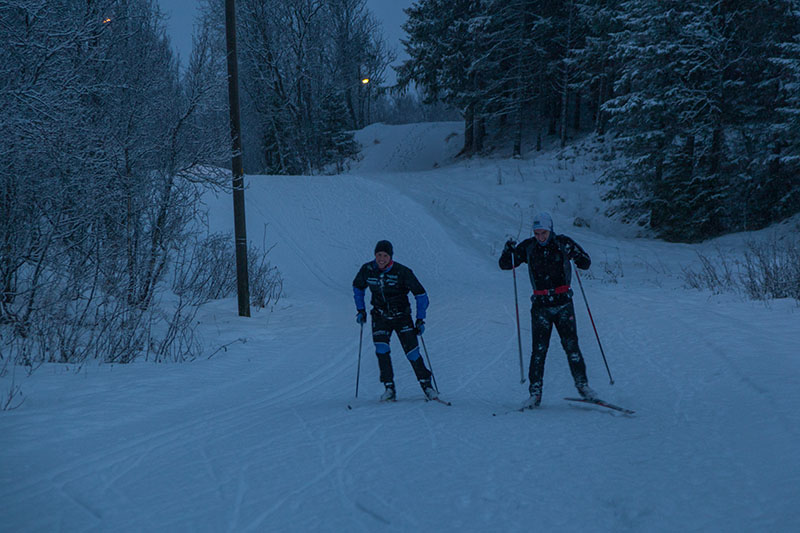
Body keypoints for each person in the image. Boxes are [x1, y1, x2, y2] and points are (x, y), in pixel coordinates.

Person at [499, 212, 596, 408]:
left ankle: (583, 386)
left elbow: (586, 263)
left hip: (563, 303)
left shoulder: (563, 243)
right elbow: (505, 265)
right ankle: (535, 393)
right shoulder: (529, 247)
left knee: (571, 346)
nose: (540, 237)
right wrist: (507, 251)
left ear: (550, 230)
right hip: (541, 306)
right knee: (539, 351)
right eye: (537, 233)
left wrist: (577, 255)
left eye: (543, 233)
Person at [352, 240, 436, 401]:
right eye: (379, 255)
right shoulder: (367, 269)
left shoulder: (402, 272)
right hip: (380, 316)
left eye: (385, 255)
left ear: (390, 256)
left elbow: (421, 295)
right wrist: (361, 310)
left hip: (402, 316)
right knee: (381, 349)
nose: (381, 259)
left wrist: (420, 319)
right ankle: (389, 388)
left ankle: (427, 386)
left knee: (412, 353)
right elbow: (357, 287)